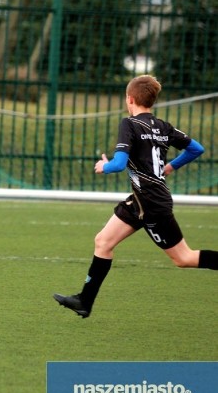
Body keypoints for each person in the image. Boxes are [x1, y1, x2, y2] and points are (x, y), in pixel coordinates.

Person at [54, 74, 215, 318]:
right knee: (103, 242)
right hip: (142, 200)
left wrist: (102, 167)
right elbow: (196, 149)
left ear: (130, 99)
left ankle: (85, 300)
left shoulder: (129, 124)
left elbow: (119, 164)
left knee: (183, 258)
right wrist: (171, 166)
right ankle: (84, 301)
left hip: (151, 204)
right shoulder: (163, 126)